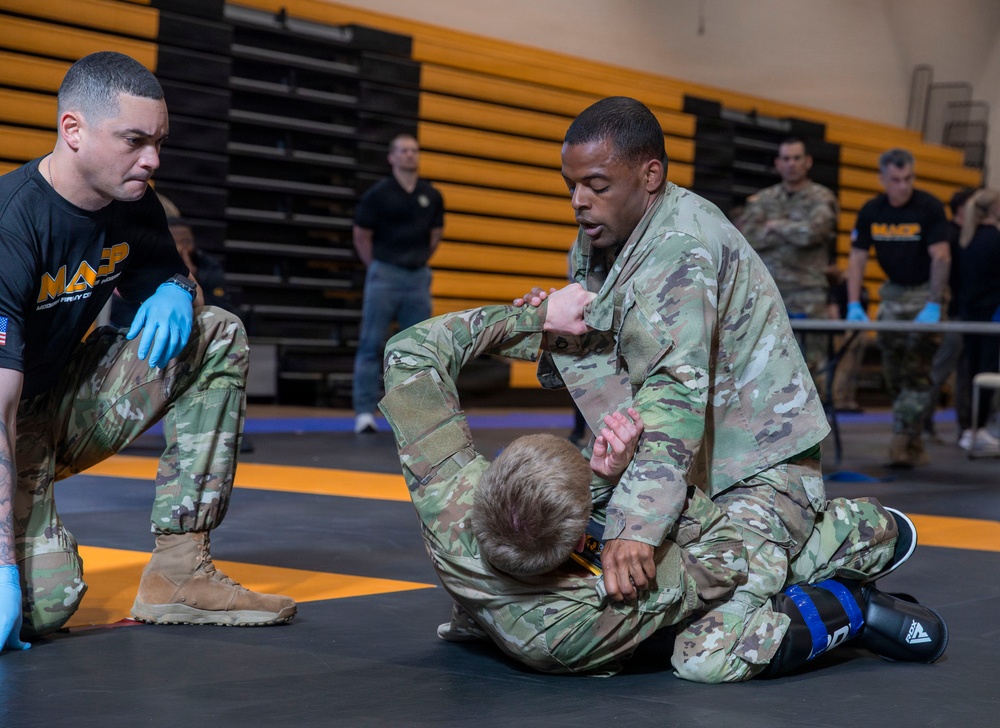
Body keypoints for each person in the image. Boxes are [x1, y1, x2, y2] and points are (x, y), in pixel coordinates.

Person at [401, 97, 945, 682]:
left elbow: (674, 395)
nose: (579, 200)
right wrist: (541, 325)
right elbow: (600, 343)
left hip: (754, 470)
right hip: (675, 461)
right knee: (551, 540)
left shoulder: (680, 250)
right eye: (571, 185)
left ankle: (839, 548)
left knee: (707, 652)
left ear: (650, 175)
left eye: (596, 184)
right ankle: (782, 549)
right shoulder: (602, 236)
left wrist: (634, 529)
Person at [0, 51, 295, 654]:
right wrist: (2, 565)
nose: (152, 159)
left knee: (215, 330)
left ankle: (179, 574)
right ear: (73, 130)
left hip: (51, 402)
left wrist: (176, 289)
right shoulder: (11, 223)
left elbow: (187, 290)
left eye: (158, 141)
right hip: (3, 413)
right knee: (43, 607)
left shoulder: (134, 203)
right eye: (134, 140)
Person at [846, 148, 951, 468]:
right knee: (892, 372)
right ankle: (913, 439)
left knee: (916, 371)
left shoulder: (929, 207)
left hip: (924, 294)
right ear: (882, 179)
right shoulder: (871, 210)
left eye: (908, 179)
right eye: (895, 180)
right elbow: (857, 257)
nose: (903, 186)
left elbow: (942, 256)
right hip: (892, 295)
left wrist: (933, 303)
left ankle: (901, 440)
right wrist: (853, 302)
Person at [351, 134, 444, 434]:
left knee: (418, 348)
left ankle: (413, 414)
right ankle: (364, 411)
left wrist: (416, 261)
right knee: (371, 344)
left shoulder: (431, 194)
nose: (409, 155)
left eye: (414, 151)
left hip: (417, 277)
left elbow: (435, 235)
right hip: (384, 275)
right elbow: (361, 235)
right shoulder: (378, 194)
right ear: (391, 157)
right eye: (403, 151)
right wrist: (377, 266)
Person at [738, 137, 839, 393]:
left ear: (808, 162)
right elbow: (745, 237)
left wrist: (774, 225)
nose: (791, 164)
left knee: (811, 366)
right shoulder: (763, 199)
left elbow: (813, 233)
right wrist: (792, 230)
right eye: (786, 158)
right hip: (769, 294)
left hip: (808, 295)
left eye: (796, 158)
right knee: (766, 364)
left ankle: (814, 432)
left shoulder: (821, 197)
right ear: (777, 163)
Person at [109, 192, 238, 328]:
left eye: (187, 242)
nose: (182, 247)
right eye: (176, 242)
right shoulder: (137, 261)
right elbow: (122, 316)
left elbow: (222, 309)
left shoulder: (206, 265)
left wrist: (194, 279)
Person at [952, 188, 1000, 451]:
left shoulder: (966, 239)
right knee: (987, 371)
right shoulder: (994, 238)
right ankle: (978, 428)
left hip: (970, 314)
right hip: (991, 314)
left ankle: (970, 428)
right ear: (994, 208)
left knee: (971, 371)